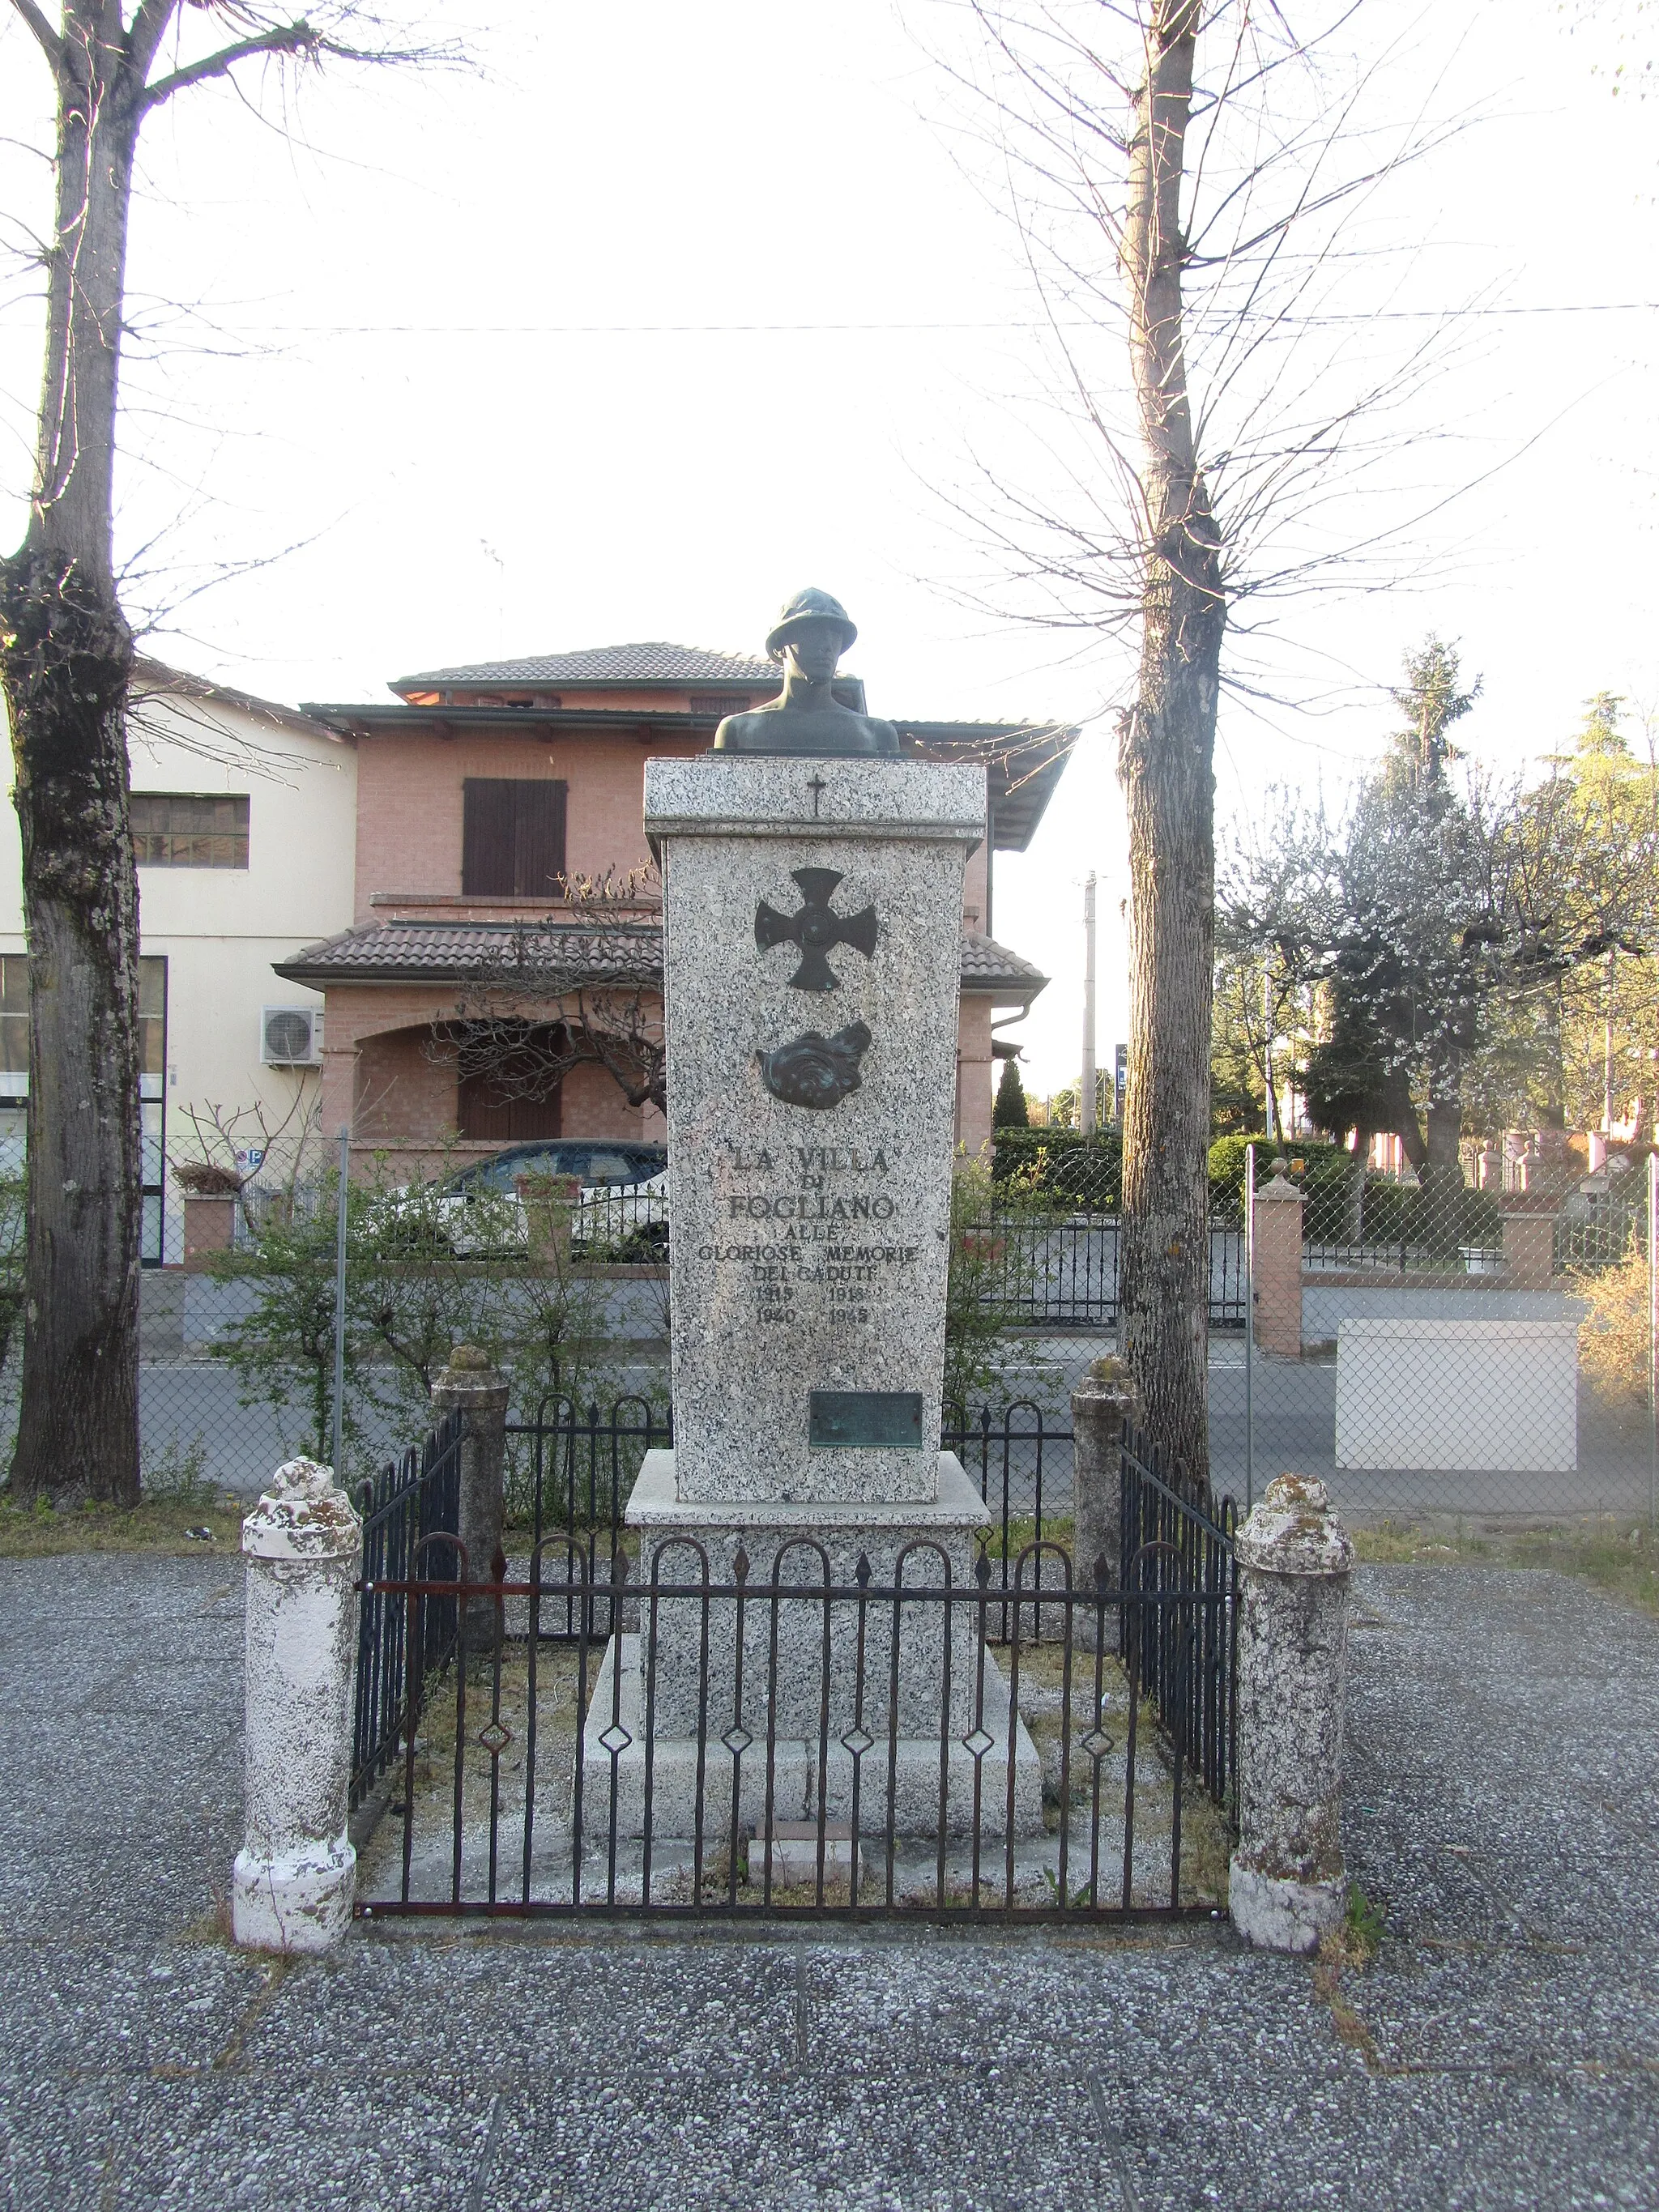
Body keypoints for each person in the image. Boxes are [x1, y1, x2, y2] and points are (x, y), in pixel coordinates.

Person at [713, 588, 900, 757]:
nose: (826, 645)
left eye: (835, 634)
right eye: (812, 632)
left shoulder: (877, 735)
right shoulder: (738, 731)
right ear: (780, 646)